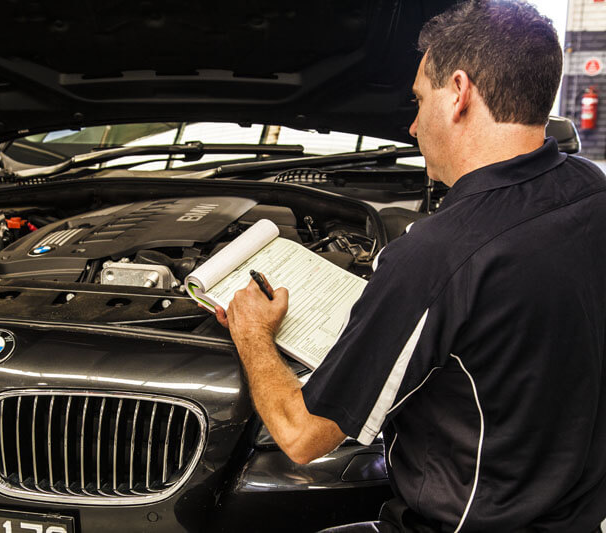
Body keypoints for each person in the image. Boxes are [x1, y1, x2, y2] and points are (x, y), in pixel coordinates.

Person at [211, 1, 606, 531]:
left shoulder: (439, 254)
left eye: (419, 101)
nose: (415, 126)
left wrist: (253, 334)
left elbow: (300, 435)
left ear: (460, 93)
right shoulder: (589, 189)